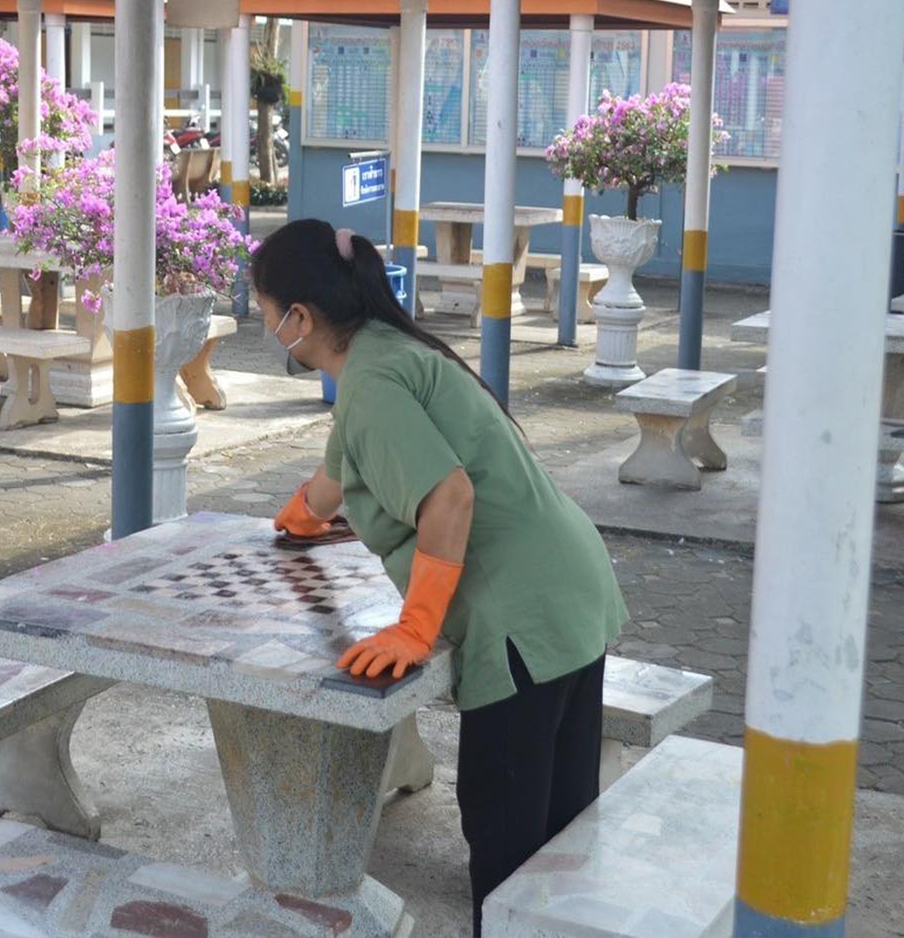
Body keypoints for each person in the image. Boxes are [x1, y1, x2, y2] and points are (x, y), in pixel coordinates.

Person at [255, 219, 628, 936]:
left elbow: (447, 496)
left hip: (520, 619)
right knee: (560, 842)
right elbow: (336, 476)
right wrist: (298, 519)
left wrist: (417, 624)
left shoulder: (368, 384)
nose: (268, 325)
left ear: (299, 318)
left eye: (266, 312)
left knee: (510, 852)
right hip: (568, 594)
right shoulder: (387, 350)